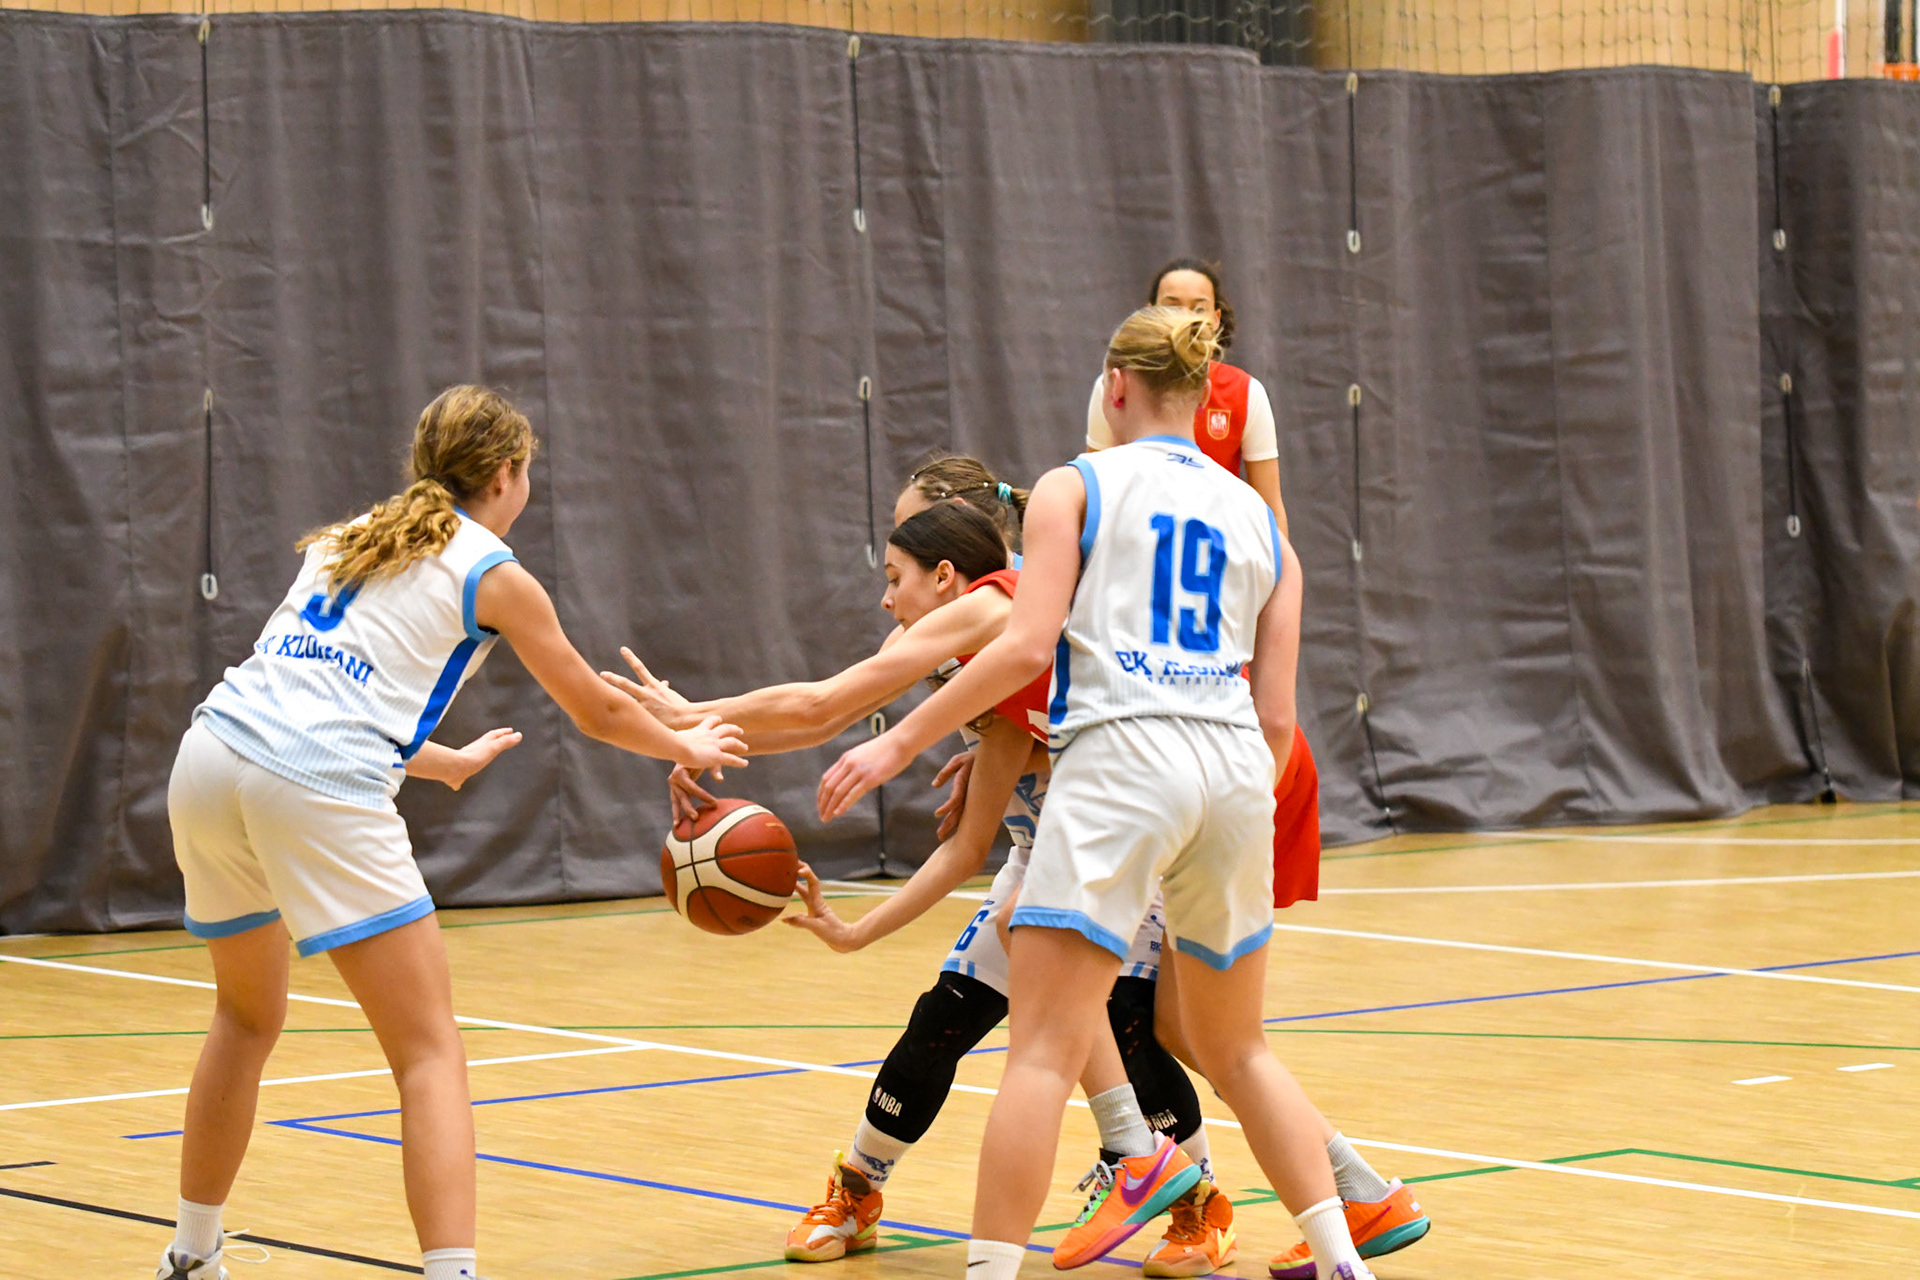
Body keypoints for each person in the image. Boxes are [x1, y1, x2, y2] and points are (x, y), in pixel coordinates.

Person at [816, 309, 1379, 1280]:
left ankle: (1019, 1247)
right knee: (1238, 1048)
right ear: (1205, 396)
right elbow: (1279, 716)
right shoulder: (1264, 523)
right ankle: (1342, 1260)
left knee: (1042, 1048)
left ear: (1114, 387)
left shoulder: (1074, 486)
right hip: (1236, 770)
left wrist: (900, 738)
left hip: (1124, 756)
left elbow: (1026, 648)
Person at [157, 386, 747, 1280]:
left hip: (210, 760)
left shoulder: (353, 535)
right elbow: (593, 708)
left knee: (243, 1018)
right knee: (428, 1051)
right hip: (310, 784)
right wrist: (686, 742)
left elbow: (316, 688)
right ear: (506, 473)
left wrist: (443, 762)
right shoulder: (492, 571)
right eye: (527, 473)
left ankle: (190, 1257)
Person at [604, 466, 1225, 1274]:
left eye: (897, 567)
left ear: (948, 563)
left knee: (1146, 1034)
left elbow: (827, 708)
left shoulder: (1020, 614)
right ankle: (861, 1188)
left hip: (1138, 840)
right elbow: (829, 711)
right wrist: (700, 734)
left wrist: (694, 719)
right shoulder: (960, 644)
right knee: (949, 1016)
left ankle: (1187, 1192)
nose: (884, 597)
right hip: (1054, 851)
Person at [1083, 264, 1425, 1274]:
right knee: (1192, 1025)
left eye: (1199, 303)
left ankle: (1161, 1181)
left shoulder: (1190, 486)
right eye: (1171, 301)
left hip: (1214, 751)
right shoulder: (1136, 481)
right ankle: (1357, 1195)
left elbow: (1270, 575)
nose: (1185, 314)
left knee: (1159, 1021)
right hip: (1226, 750)